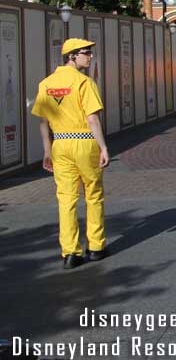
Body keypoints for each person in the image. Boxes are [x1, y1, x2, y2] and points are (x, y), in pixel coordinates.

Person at [32, 38, 109, 269]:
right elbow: (92, 118)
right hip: (84, 143)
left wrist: (47, 150)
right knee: (93, 194)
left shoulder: (46, 84)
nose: (90, 56)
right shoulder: (84, 83)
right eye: (86, 53)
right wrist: (103, 147)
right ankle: (95, 247)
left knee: (66, 199)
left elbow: (43, 121)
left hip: (60, 145)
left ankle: (70, 253)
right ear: (72, 56)